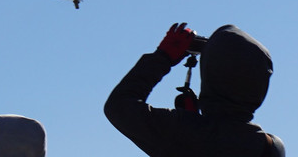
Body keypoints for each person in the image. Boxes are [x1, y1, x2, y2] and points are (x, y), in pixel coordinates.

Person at [104, 23, 284, 157]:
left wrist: (163, 57)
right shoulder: (272, 147)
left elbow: (119, 106)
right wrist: (195, 117)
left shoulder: (182, 131)